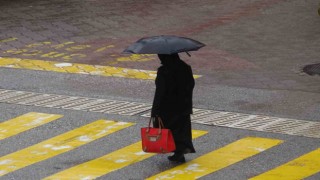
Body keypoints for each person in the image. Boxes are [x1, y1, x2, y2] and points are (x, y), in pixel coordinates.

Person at [151, 53, 195, 163]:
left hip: (167, 107)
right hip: (183, 105)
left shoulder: (164, 71)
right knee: (181, 129)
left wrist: (154, 110)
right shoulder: (185, 67)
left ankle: (177, 151)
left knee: (169, 129)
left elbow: (159, 92)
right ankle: (180, 151)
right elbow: (191, 84)